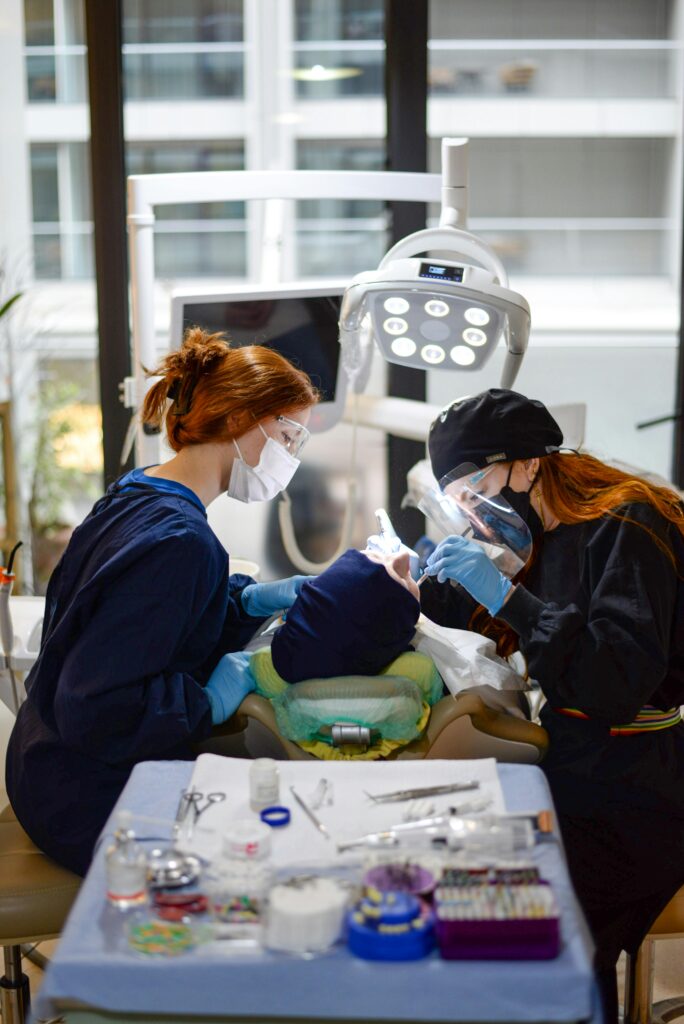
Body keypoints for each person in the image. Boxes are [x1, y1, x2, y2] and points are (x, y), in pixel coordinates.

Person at [6, 328, 319, 876]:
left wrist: (246, 602)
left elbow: (153, 617)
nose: (289, 456)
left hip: (42, 759)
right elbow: (98, 706)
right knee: (263, 859)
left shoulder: (143, 489)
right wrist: (207, 700)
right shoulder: (182, 542)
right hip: (83, 796)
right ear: (242, 419)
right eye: (288, 436)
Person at [420, 388, 684, 1024]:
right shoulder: (536, 534)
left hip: (636, 783)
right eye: (460, 501)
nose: (474, 511)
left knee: (547, 946)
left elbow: (614, 680)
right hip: (574, 761)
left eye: (474, 488)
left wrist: (509, 597)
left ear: (527, 463)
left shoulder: (629, 526)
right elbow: (464, 614)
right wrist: (411, 579)